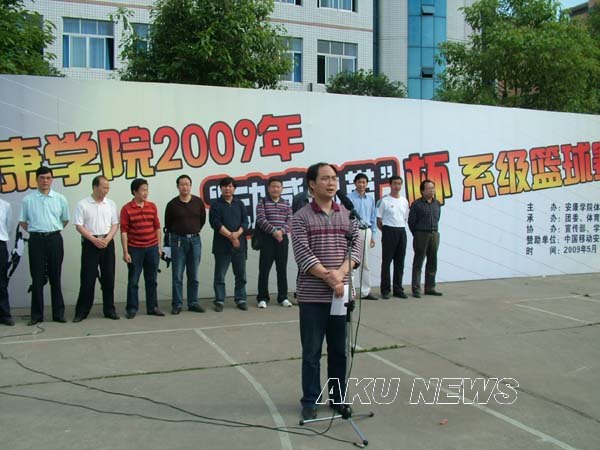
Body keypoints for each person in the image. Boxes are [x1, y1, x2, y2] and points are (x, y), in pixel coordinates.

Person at [292, 162, 361, 421]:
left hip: (340, 296)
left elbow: (356, 248)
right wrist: (329, 277)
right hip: (312, 297)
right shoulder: (301, 217)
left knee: (338, 351)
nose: (331, 183)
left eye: (334, 178)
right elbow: (303, 254)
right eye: (325, 179)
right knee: (312, 352)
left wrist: (340, 273)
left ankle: (337, 397)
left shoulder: (347, 215)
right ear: (312, 184)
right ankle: (310, 400)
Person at [19, 166, 70, 326]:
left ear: (52, 179)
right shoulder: (28, 199)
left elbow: (65, 220)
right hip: (36, 240)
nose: (45, 181)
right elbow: (23, 221)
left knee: (56, 277)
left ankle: (58, 314)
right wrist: (36, 231)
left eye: (48, 178)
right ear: (36, 180)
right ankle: (36, 315)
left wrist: (52, 230)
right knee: (37, 278)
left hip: (54, 239)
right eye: (42, 178)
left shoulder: (60, 198)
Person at [72, 176, 120, 322]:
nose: (106, 190)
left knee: (108, 277)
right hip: (90, 243)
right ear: (95, 187)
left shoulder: (110, 204)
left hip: (107, 242)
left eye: (108, 188)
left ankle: (109, 310)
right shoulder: (83, 204)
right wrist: (94, 240)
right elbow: (79, 225)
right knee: (88, 278)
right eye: (104, 187)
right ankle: (81, 312)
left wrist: (107, 239)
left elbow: (115, 224)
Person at [120, 178, 164, 319]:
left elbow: (157, 227)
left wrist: (159, 246)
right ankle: (132, 308)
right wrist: (125, 252)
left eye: (147, 189)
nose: (146, 193)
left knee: (152, 280)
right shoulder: (126, 209)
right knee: (133, 280)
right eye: (143, 190)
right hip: (135, 249)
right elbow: (124, 231)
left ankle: (153, 307)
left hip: (152, 248)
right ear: (134, 192)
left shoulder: (152, 206)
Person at [164, 174, 207, 315]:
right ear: (177, 186)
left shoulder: (198, 202)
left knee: (193, 274)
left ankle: (193, 302)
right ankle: (177, 304)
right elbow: (168, 224)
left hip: (195, 240)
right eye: (182, 184)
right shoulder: (172, 204)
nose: (185, 187)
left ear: (190, 186)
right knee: (177, 275)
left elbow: (202, 220)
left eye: (187, 184)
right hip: (178, 241)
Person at [209, 177, 249, 312]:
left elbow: (245, 222)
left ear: (234, 188)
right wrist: (232, 237)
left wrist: (237, 234)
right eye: (225, 186)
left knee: (241, 275)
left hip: (239, 245)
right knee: (220, 275)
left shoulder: (240, 203)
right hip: (222, 246)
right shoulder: (216, 205)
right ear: (221, 188)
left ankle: (241, 299)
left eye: (231, 186)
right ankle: (219, 300)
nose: (228, 188)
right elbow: (215, 224)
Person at [255, 177, 293, 309]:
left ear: (282, 189)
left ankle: (283, 297)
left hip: (282, 240)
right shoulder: (263, 202)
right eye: (273, 186)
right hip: (267, 240)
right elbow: (261, 219)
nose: (275, 189)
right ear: (268, 188)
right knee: (264, 269)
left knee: (282, 269)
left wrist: (281, 231)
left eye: (278, 186)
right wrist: (274, 231)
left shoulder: (286, 203)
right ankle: (262, 298)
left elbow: (290, 220)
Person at [377, 175, 410, 299]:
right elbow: (379, 220)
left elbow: (405, 218)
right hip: (389, 231)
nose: (397, 186)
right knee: (387, 262)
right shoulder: (384, 201)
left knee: (400, 262)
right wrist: (386, 231)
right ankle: (385, 290)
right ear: (390, 185)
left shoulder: (404, 201)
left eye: (399, 184)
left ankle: (398, 289)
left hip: (401, 231)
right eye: (395, 183)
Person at [408, 179, 442, 298]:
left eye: (433, 188)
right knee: (418, 263)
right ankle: (416, 288)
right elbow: (411, 222)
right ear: (422, 191)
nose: (431, 190)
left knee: (433, 262)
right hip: (421, 235)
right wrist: (417, 234)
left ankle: (430, 287)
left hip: (434, 234)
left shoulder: (437, 203)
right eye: (428, 188)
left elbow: (438, 218)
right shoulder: (416, 204)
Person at [348, 173, 378, 300]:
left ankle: (366, 291)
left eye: (364, 182)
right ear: (355, 183)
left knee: (365, 262)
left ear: (367, 184)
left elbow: (373, 218)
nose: (361, 184)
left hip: (366, 231)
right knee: (352, 262)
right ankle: (351, 292)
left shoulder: (370, 199)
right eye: (359, 182)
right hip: (354, 231)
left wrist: (373, 235)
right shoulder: (349, 198)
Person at [0, 198, 14, 326]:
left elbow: (8, 227)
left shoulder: (5, 205)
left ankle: (4, 315)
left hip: (0, 244)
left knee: (1, 282)